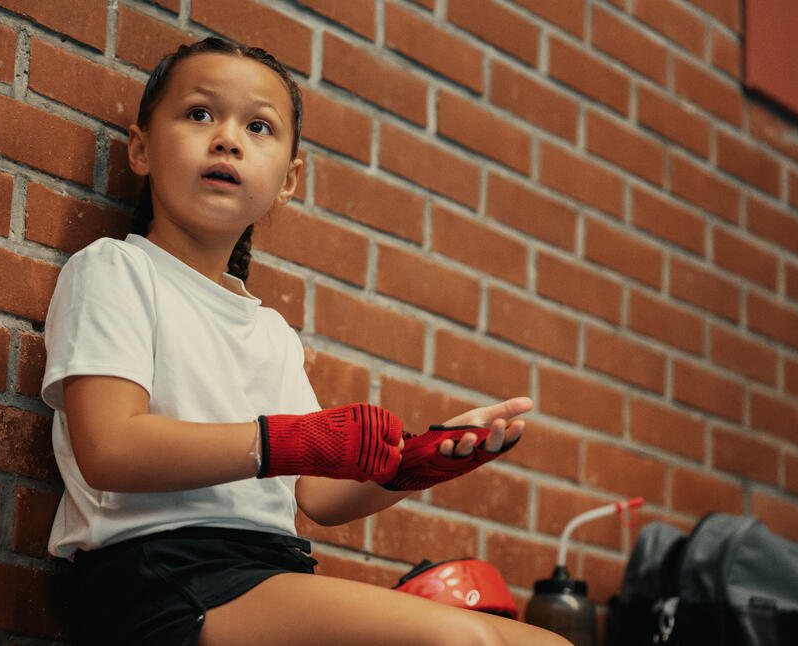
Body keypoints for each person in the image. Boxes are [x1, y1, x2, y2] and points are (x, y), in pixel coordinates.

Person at [41, 37, 571, 646]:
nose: (227, 138)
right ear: (140, 147)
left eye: (259, 126)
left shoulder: (269, 329)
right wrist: (294, 440)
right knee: (464, 643)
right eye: (199, 114)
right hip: (152, 577)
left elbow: (315, 495)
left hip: (267, 571)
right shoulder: (114, 269)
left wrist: (414, 466)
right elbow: (109, 448)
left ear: (289, 180)